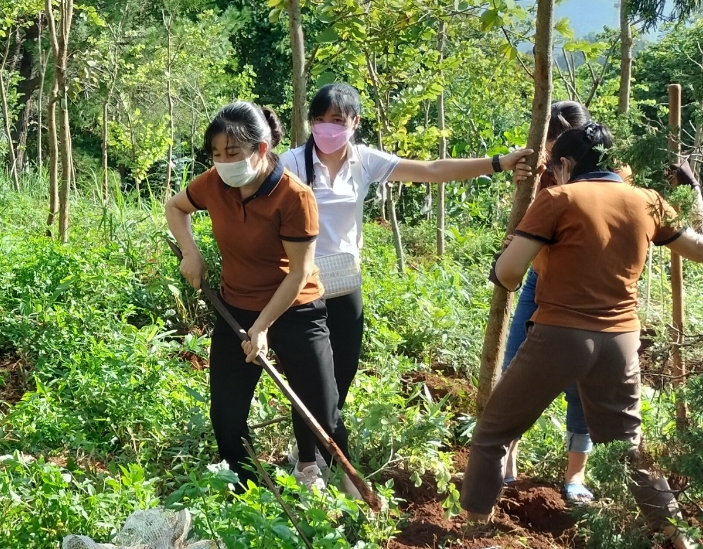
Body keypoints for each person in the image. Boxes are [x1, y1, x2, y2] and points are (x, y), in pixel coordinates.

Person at [463, 121, 699, 549]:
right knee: (628, 445)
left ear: (566, 164)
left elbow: (511, 274)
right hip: (620, 340)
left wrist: (501, 264)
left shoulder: (558, 199)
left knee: (495, 430)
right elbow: (699, 248)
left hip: (560, 334)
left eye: (555, 167)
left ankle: (472, 527)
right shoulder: (648, 201)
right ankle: (680, 539)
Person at [279, 82, 533, 422]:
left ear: (355, 123)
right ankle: (308, 458)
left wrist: (499, 163)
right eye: (320, 118)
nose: (328, 127)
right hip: (302, 283)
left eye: (338, 119)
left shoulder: (363, 160)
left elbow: (431, 170)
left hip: (344, 279)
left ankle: (319, 437)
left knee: (345, 369)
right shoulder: (291, 163)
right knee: (312, 373)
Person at [165, 101, 348, 491]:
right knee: (227, 415)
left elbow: (298, 273)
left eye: (232, 153)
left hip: (295, 309)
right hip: (236, 307)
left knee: (321, 410)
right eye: (215, 154)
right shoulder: (215, 183)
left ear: (261, 150)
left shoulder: (293, 196)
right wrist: (191, 252)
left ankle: (335, 482)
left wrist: (262, 327)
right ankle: (248, 490)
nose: (222, 162)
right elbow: (176, 207)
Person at [498, 100, 593, 499]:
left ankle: (575, 476)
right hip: (538, 279)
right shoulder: (541, 175)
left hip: (586, 291)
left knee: (581, 383)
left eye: (559, 150)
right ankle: (506, 460)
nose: (552, 159)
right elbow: (525, 229)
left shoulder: (610, 178)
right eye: (548, 147)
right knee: (515, 369)